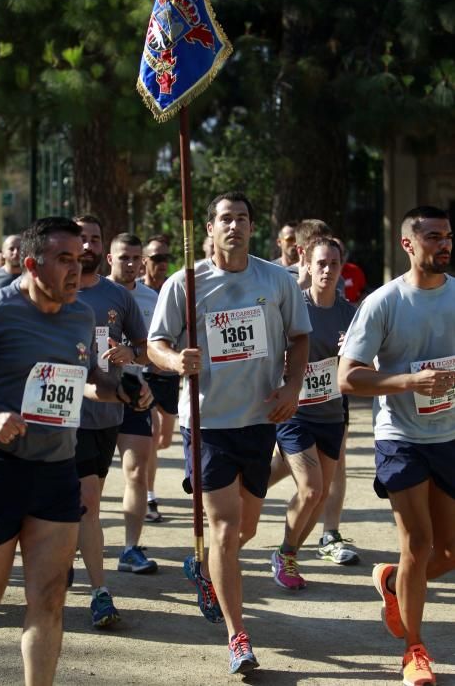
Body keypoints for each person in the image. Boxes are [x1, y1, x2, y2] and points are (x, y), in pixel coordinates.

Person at [147, 190, 311, 674]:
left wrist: (293, 384)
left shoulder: (275, 279)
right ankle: (238, 635)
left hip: (260, 418)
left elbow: (300, 336)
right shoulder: (186, 284)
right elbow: (154, 343)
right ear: (210, 230)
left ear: (252, 227)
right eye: (225, 219)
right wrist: (176, 359)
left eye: (242, 218)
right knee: (223, 529)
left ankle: (205, 569)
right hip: (209, 422)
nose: (233, 226)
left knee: (247, 528)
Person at [0, 217, 151, 686]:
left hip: (57, 466)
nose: (76, 270)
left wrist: (121, 390)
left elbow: (87, 383)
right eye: (64, 260)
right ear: (31, 264)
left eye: (79, 260)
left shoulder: (80, 314)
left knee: (49, 596)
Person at [338, 205, 455, 686]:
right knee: (419, 544)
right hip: (400, 438)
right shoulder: (384, 302)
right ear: (408, 243)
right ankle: (414, 651)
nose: (444, 244)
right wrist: (409, 381)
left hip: (448, 435)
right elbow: (348, 377)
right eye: (433, 236)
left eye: (448, 236)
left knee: (447, 554)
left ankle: (391, 581)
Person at [74, 214, 151, 628]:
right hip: (54, 417)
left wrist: (130, 355)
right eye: (80, 238)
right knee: (84, 504)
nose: (87, 246)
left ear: (103, 247)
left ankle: (74, 556)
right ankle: (100, 592)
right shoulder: (52, 295)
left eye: (94, 239)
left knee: (87, 503)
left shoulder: (118, 298)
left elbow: (145, 348)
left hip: (103, 414)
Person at [268, 238, 357, 589]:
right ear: (306, 262)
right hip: (296, 411)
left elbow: (366, 361)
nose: (327, 270)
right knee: (310, 488)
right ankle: (285, 554)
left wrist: (351, 353)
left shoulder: (350, 314)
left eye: (334, 263)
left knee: (319, 494)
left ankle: (286, 550)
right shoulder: (294, 306)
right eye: (321, 262)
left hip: (331, 414)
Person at [107, 232, 158, 574]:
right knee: (88, 482)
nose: (131, 264)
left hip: (135, 394)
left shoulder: (153, 298)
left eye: (136, 258)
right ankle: (71, 547)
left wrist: (151, 381)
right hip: (92, 396)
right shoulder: (88, 293)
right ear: (109, 259)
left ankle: (130, 548)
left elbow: (158, 350)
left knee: (137, 473)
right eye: (124, 257)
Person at [142, 234, 180, 522]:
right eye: (156, 258)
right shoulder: (136, 293)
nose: (162, 263)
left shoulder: (174, 289)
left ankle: (145, 483)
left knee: (164, 439)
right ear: (145, 261)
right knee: (152, 435)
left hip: (170, 375)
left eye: (165, 257)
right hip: (145, 375)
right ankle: (149, 496)